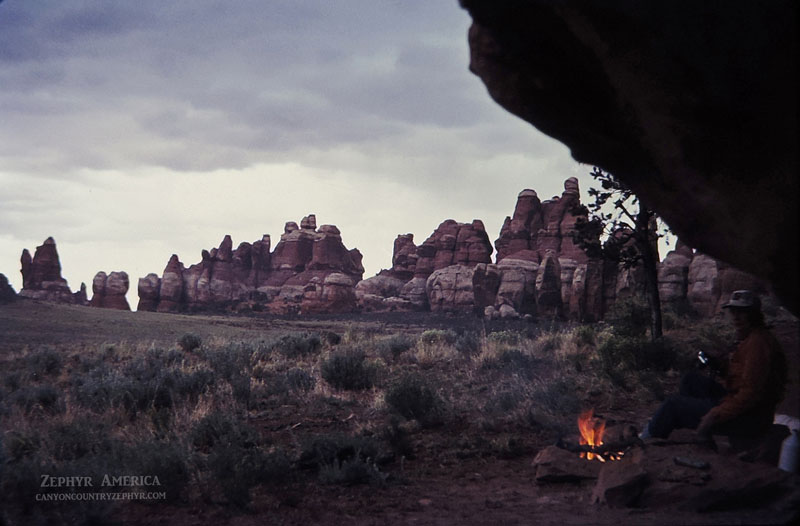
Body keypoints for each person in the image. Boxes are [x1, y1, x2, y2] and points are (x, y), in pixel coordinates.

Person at [639, 290, 786, 441]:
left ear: (754, 314)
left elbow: (750, 394)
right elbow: (741, 377)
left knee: (672, 405)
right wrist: (721, 366)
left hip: (750, 417)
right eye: (733, 312)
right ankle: (693, 424)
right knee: (690, 380)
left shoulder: (758, 343)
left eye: (742, 312)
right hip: (739, 403)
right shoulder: (750, 338)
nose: (736, 317)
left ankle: (644, 440)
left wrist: (716, 413)